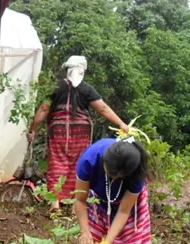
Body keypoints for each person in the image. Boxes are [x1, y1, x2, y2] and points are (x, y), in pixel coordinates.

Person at [27, 56, 129, 213]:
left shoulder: (55, 87)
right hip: (81, 133)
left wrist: (32, 129)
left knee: (57, 163)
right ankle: (76, 205)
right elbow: (102, 108)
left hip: (58, 132)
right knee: (79, 164)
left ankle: (55, 204)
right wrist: (121, 123)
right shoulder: (86, 89)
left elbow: (43, 110)